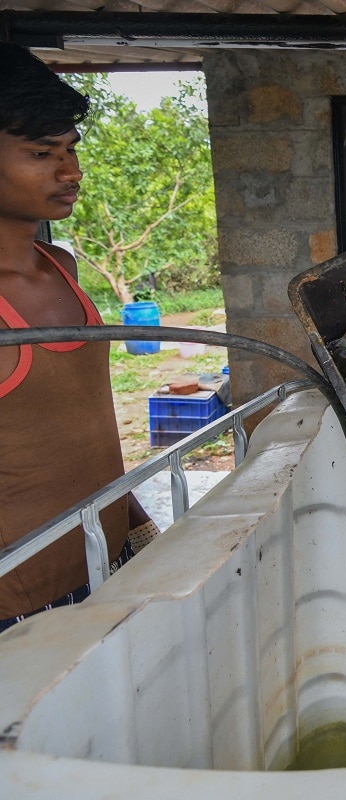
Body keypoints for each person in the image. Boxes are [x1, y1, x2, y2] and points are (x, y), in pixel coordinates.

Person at [0, 43, 157, 633]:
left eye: (71, 150)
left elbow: (83, 430)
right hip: (24, 609)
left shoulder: (60, 266)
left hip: (106, 564)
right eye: (42, 153)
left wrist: (135, 524)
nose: (71, 172)